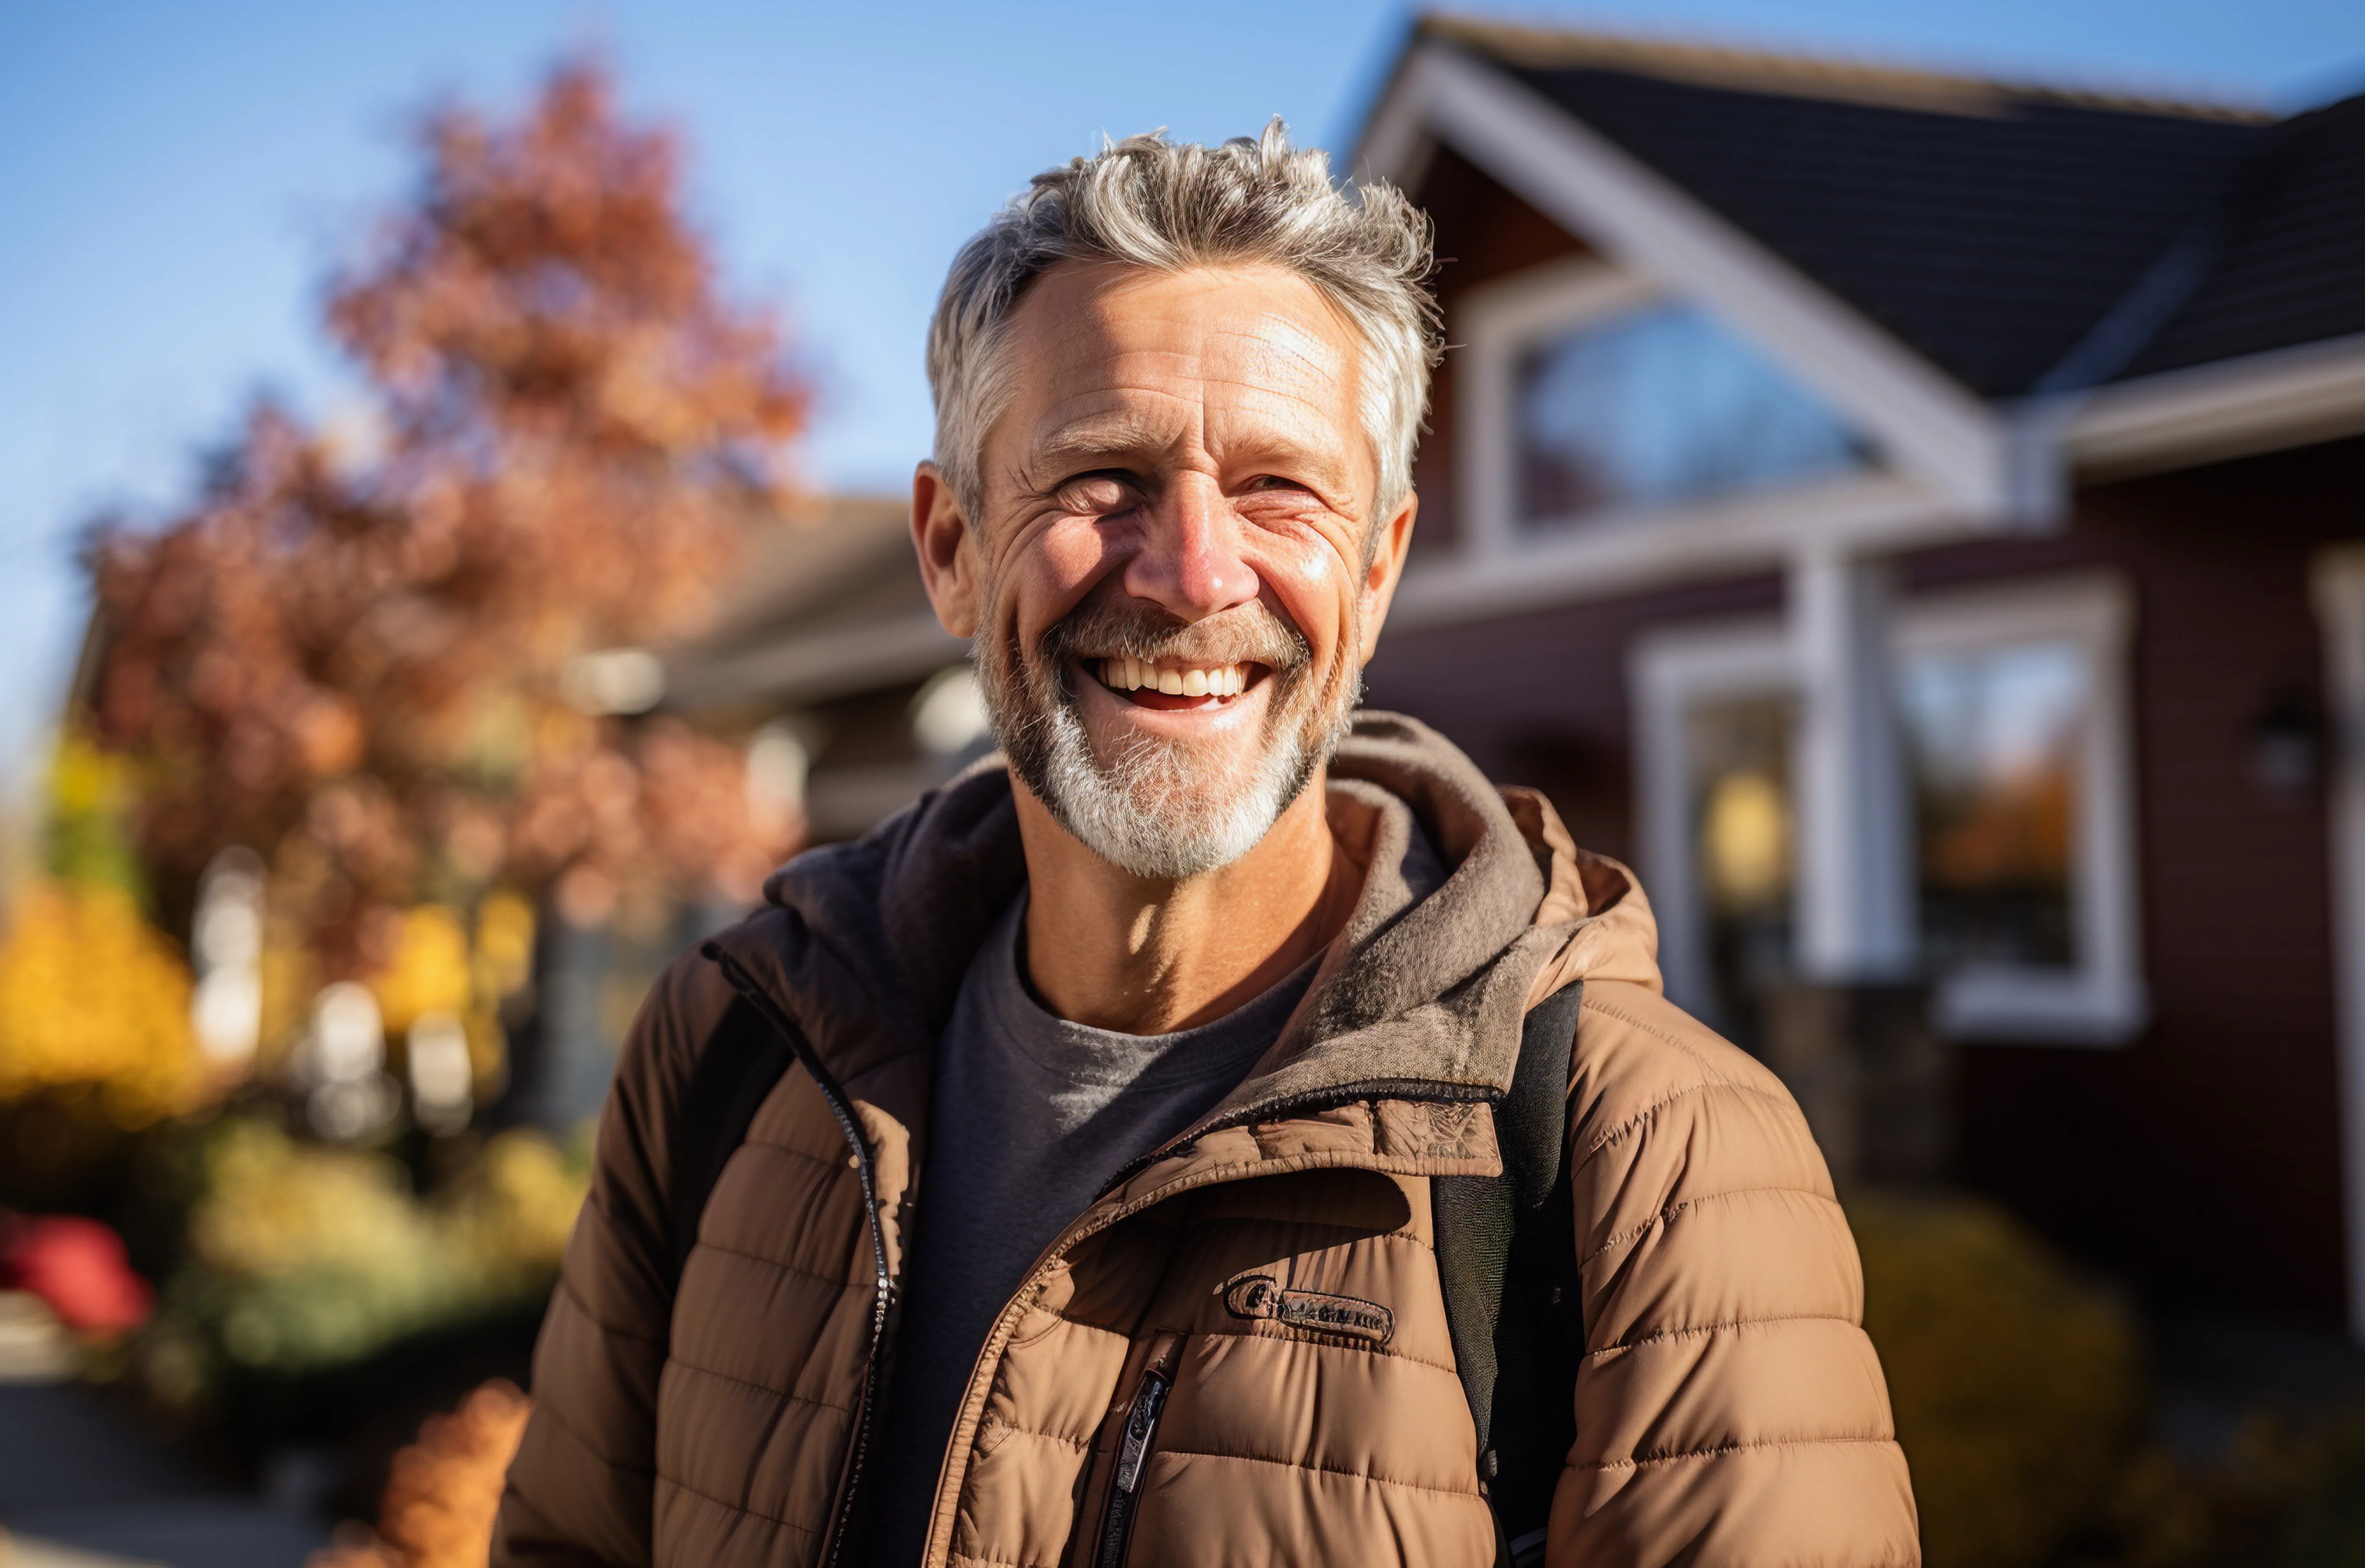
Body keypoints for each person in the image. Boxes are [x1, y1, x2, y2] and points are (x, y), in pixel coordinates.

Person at [493, 122, 1918, 1568]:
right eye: (1099, 475)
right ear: (951, 549)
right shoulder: (739, 1055)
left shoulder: (1648, 1158)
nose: (1191, 575)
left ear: (1376, 570)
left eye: (1277, 487)